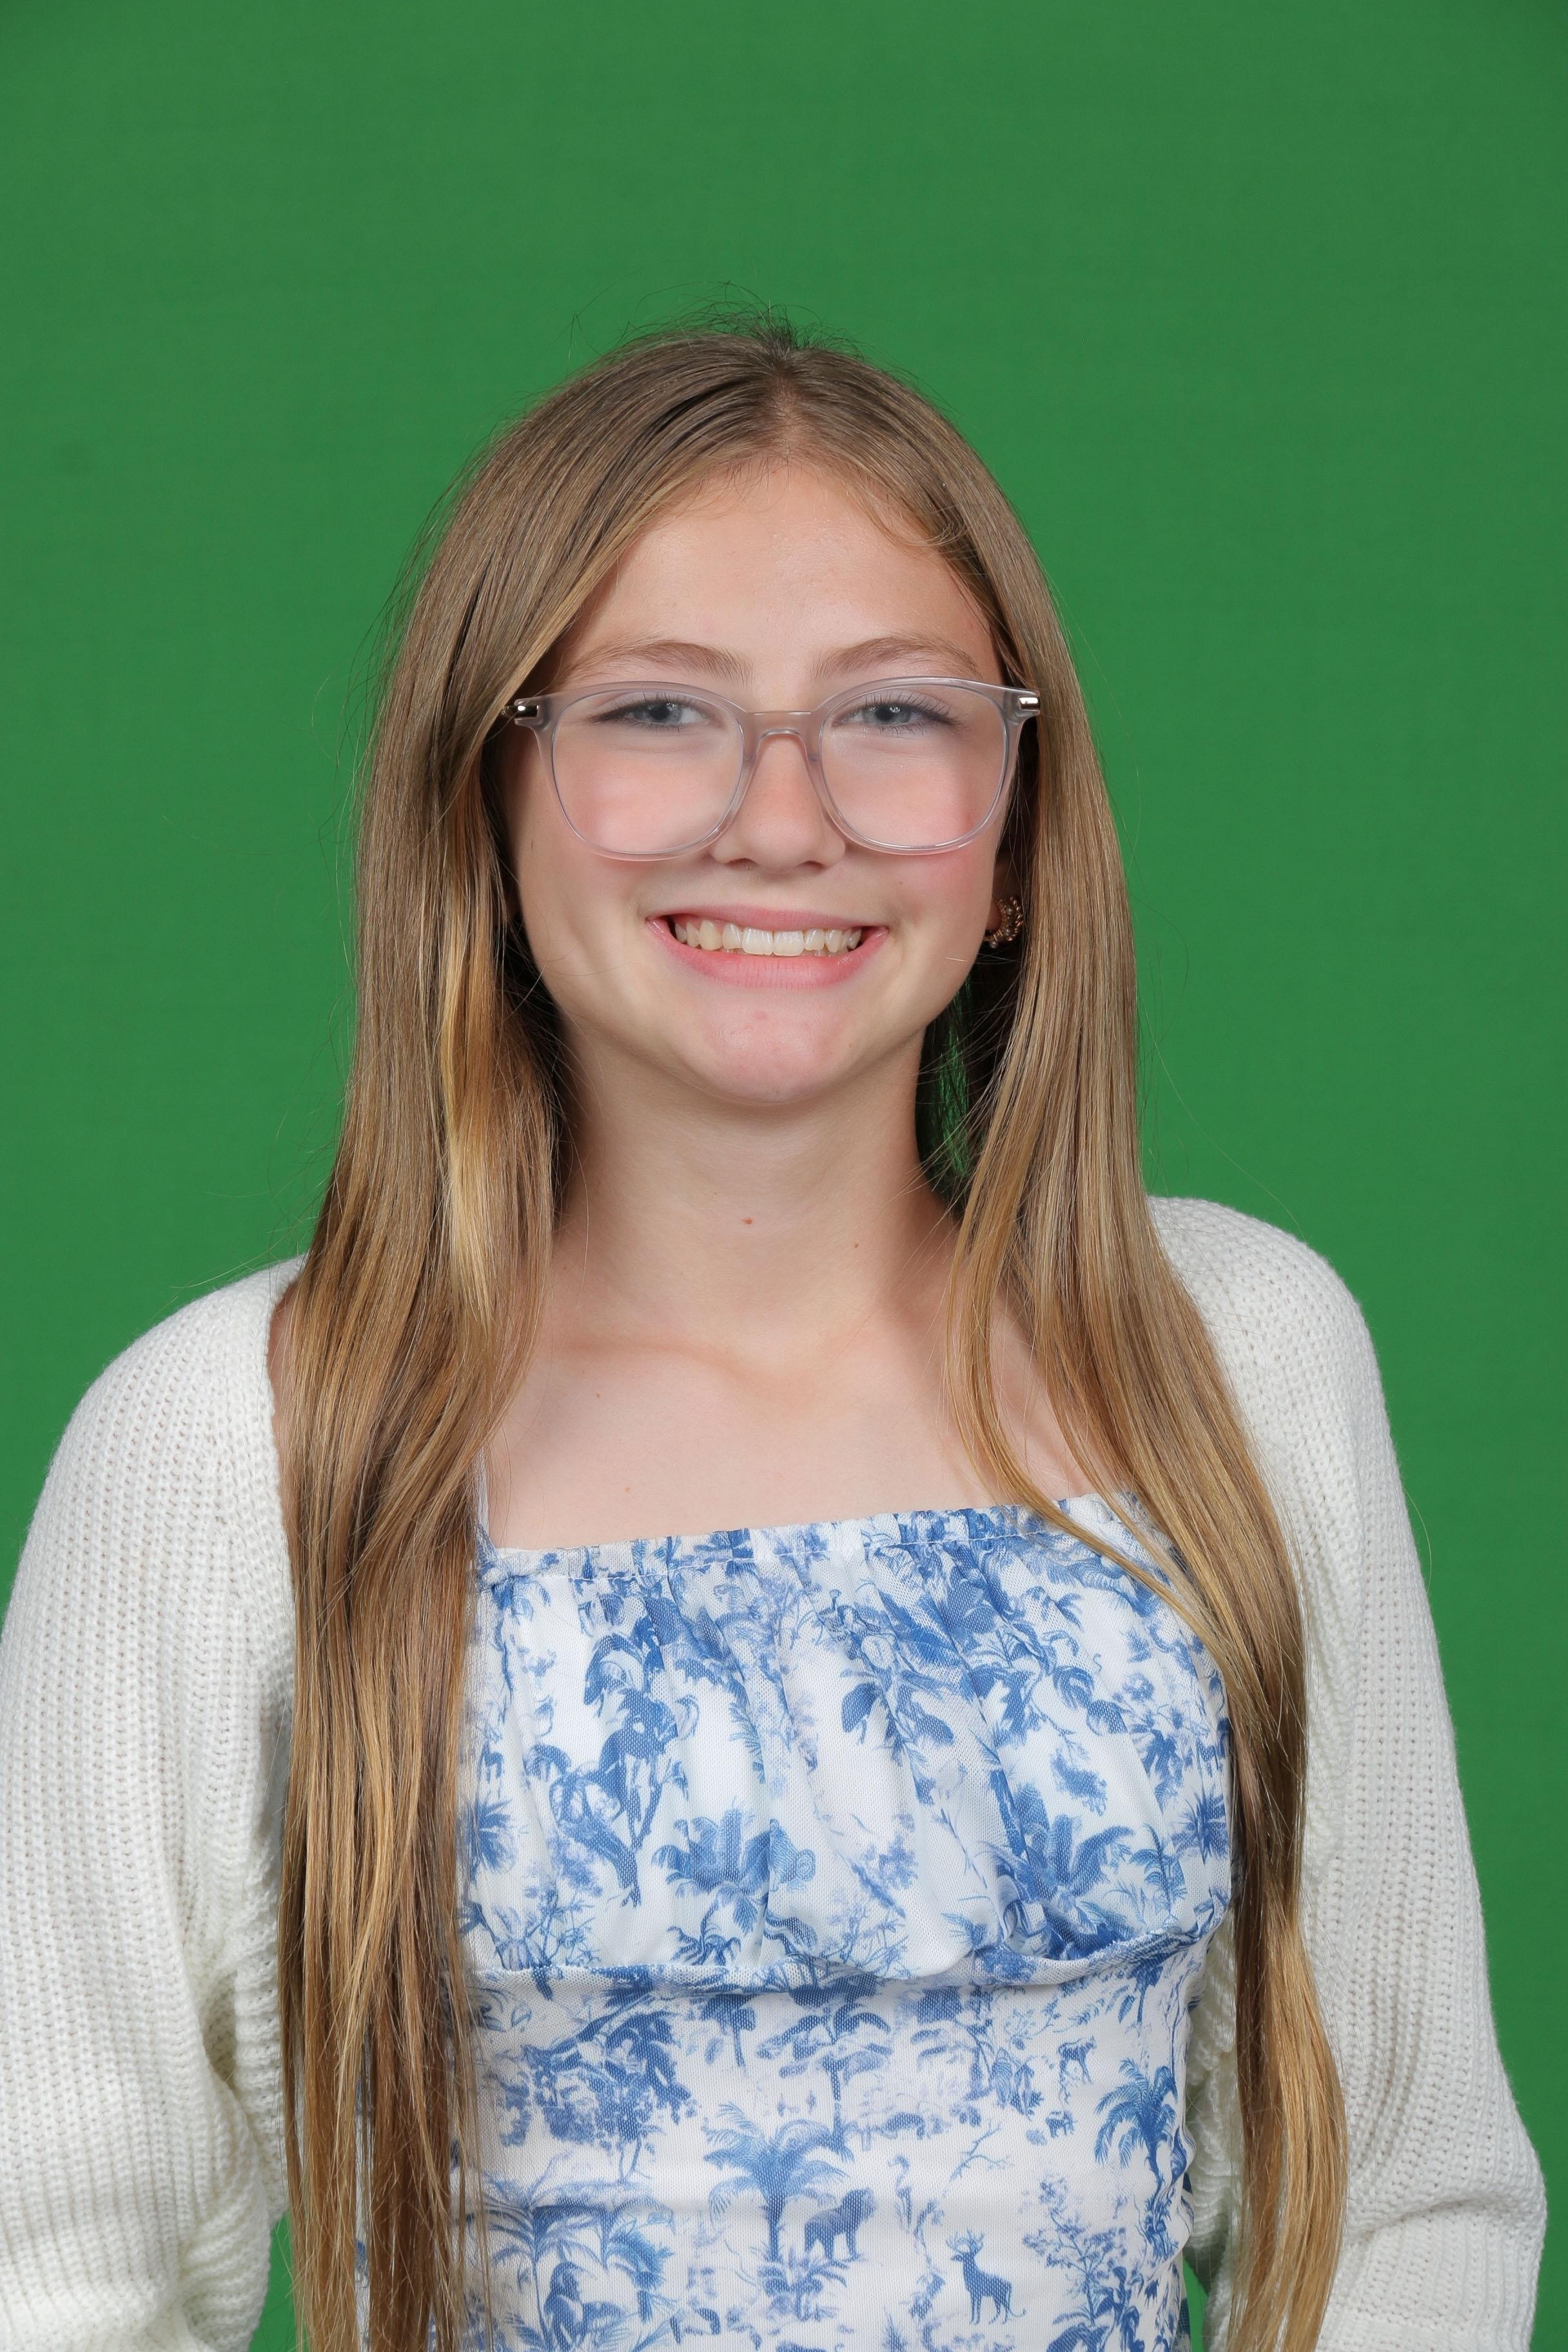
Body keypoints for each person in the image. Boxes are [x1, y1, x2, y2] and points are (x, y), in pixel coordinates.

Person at [0, 318, 1544, 2352]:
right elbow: (59, 2278)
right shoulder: (238, 1442)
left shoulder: (1238, 1362)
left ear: (1013, 833)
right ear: (488, 805)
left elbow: (1412, 2203)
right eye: (660, 710)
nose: (784, 818)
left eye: (893, 713)